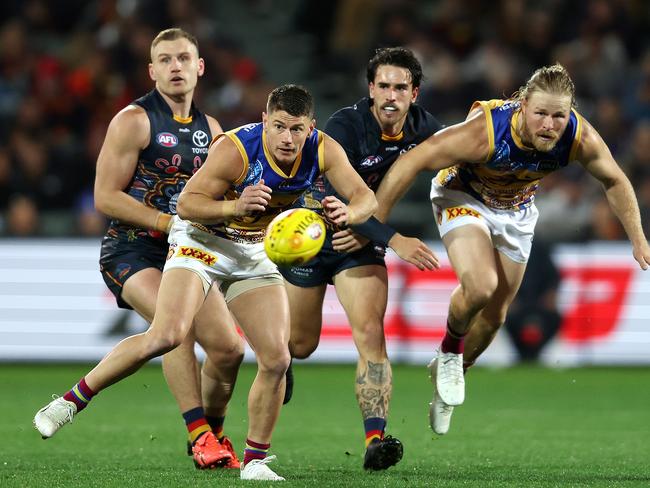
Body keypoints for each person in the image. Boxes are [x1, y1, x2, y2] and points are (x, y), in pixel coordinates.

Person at [34, 84, 377, 482]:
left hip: (253, 251)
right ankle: (70, 402)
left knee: (278, 358)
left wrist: (350, 211)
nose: (287, 138)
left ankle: (254, 461)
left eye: (297, 129)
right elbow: (186, 204)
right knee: (167, 334)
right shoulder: (235, 149)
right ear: (265, 120)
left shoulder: (323, 149)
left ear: (310, 127)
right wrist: (236, 205)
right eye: (279, 126)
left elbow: (366, 197)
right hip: (202, 242)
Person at [373, 63, 650, 436]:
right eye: (540, 114)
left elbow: (614, 180)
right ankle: (451, 350)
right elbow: (413, 161)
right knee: (481, 285)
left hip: (517, 211)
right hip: (463, 197)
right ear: (522, 106)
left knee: (495, 315)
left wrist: (638, 237)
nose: (550, 124)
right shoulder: (484, 132)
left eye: (559, 115)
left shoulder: (578, 136)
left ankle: (449, 378)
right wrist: (376, 225)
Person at [34, 28, 244, 469]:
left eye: (184, 58)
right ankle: (198, 434)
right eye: (165, 60)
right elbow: (105, 197)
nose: (175, 67)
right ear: (152, 71)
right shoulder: (134, 120)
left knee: (228, 349)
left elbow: (216, 204)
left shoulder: (213, 131)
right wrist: (167, 223)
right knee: (176, 330)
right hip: (131, 251)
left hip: (187, 255)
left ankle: (213, 432)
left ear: (200, 67)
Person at [279, 47, 442, 470]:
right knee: (301, 344)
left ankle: (375, 438)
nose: (390, 96)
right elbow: (337, 195)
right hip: (312, 237)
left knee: (371, 332)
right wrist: (394, 239)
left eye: (400, 88)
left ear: (414, 93)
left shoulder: (426, 129)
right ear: (370, 89)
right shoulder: (346, 126)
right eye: (383, 86)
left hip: (362, 244)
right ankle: (279, 356)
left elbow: (461, 158)